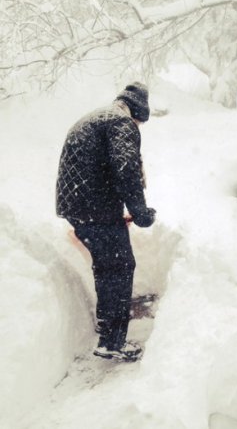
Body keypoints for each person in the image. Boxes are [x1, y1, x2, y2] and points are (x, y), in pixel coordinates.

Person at [56, 82, 156, 362]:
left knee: (107, 265)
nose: (138, 126)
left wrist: (111, 212)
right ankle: (112, 341)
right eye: (140, 121)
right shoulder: (122, 124)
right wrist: (140, 212)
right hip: (95, 209)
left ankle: (106, 324)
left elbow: (99, 168)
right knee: (121, 267)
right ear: (138, 112)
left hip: (78, 207)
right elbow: (126, 170)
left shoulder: (96, 118)